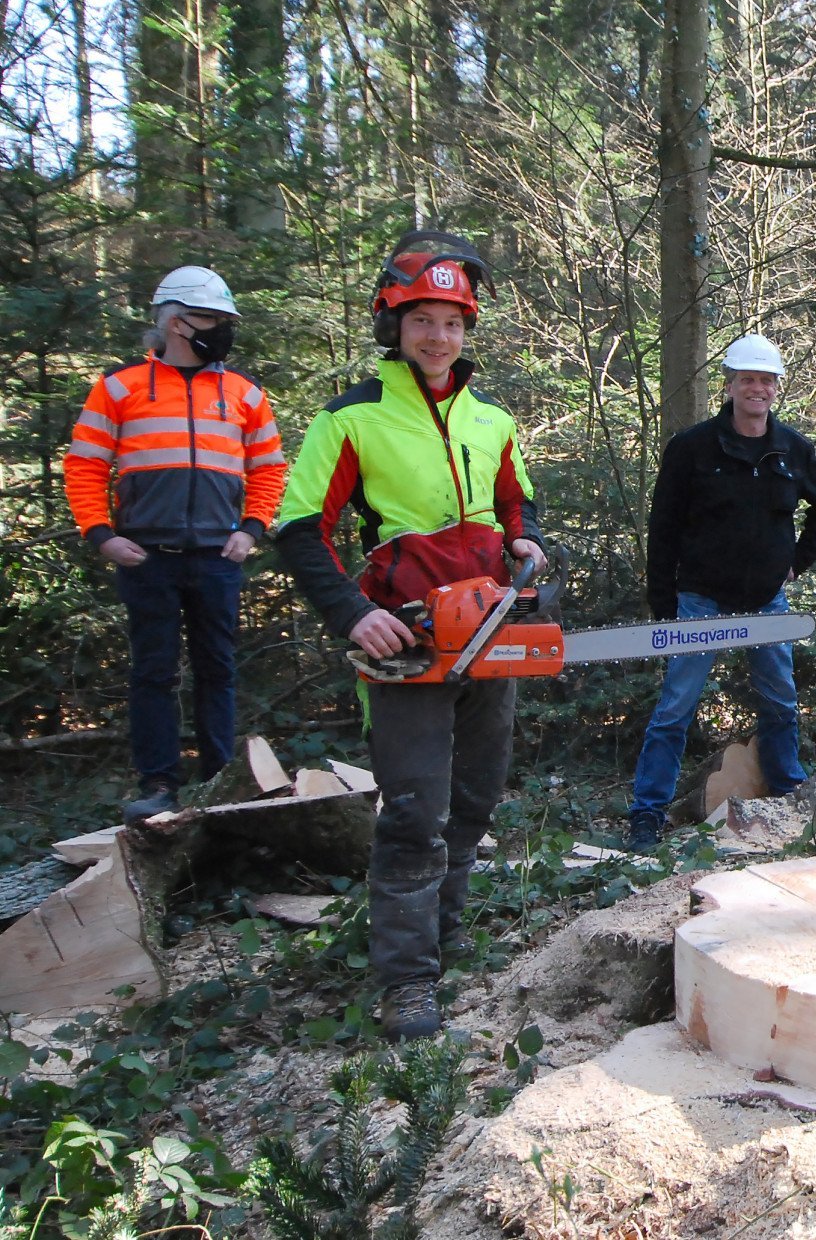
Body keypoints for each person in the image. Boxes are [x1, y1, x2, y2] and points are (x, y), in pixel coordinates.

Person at [274, 232, 546, 1042]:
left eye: (452, 322)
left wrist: (525, 542)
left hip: (488, 628)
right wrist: (352, 613)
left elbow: (516, 502)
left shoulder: (492, 419)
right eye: (423, 320)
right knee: (414, 811)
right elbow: (299, 526)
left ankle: (445, 933)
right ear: (393, 324)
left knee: (476, 797)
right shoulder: (351, 418)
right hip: (408, 640)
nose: (438, 336)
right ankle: (406, 980)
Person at [64, 266, 287, 825]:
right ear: (174, 322)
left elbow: (269, 468)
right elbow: (85, 465)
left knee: (218, 669)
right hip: (146, 556)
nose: (221, 329)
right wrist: (101, 534)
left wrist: (251, 528)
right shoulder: (119, 387)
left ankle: (218, 781)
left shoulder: (244, 393)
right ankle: (159, 784)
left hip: (218, 556)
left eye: (224, 320)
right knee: (153, 672)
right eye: (209, 318)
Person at [629, 333, 816, 853]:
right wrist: (664, 602)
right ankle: (647, 812)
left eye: (766, 380)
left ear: (776, 387)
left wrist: (796, 563)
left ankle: (788, 792)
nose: (757, 389)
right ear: (730, 385)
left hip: (767, 599)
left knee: (780, 700)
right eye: (747, 379)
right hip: (701, 598)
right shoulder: (693, 447)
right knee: (675, 708)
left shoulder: (792, 449)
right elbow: (664, 527)